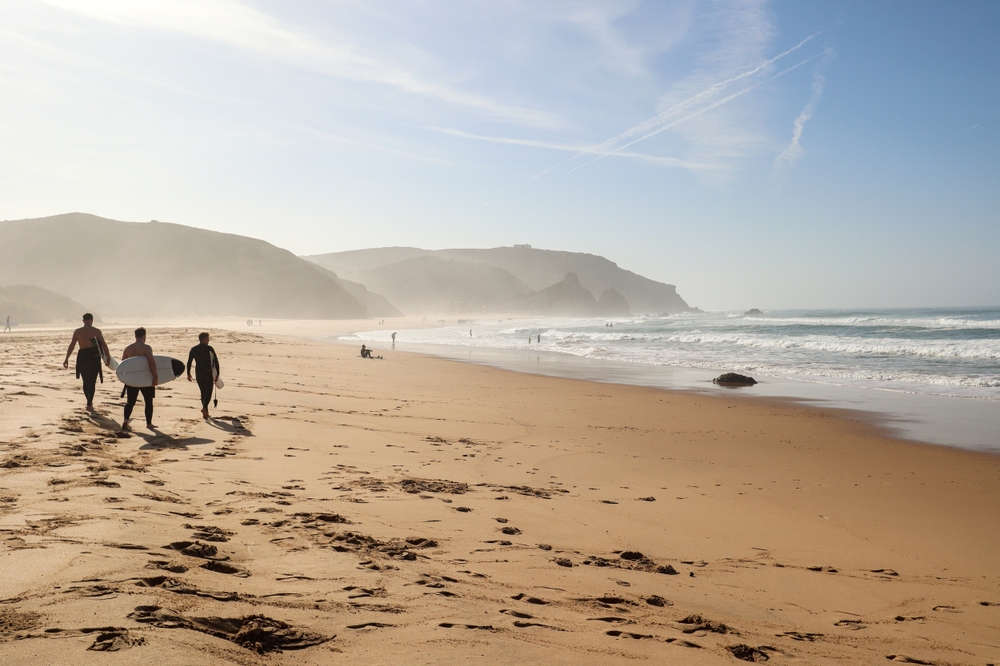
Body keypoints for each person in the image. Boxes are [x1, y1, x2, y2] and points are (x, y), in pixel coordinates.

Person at [63, 313, 110, 411]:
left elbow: (72, 345)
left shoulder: (78, 331)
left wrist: (66, 358)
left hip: (82, 355)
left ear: (83, 321)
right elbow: (104, 345)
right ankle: (89, 404)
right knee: (92, 381)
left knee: (85, 381)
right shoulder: (96, 331)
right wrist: (108, 357)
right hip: (93, 355)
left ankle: (88, 401)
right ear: (92, 320)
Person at [121, 327, 157, 431]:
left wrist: (125, 379)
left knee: (130, 402)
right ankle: (149, 424)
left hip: (132, 379)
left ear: (135, 336)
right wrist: (155, 376)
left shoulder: (128, 349)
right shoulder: (146, 348)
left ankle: (126, 420)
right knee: (148, 401)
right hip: (145, 379)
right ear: (144, 336)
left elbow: (123, 364)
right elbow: (152, 362)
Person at [187, 332, 220, 419]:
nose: (209, 340)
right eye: (208, 338)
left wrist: (188, 373)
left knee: (203, 392)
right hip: (208, 373)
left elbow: (189, 362)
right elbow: (215, 361)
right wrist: (217, 374)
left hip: (198, 373)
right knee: (208, 392)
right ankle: (204, 408)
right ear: (204, 339)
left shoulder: (194, 349)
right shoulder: (209, 349)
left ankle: (205, 412)